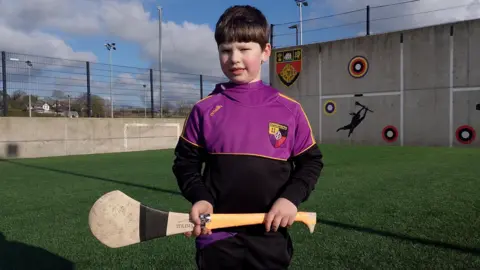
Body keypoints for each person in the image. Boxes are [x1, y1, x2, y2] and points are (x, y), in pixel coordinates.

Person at [172, 5, 324, 270]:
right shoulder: (204, 110)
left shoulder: (289, 110)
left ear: (265, 51)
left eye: (244, 49)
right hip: (216, 236)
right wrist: (200, 196)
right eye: (225, 50)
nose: (234, 58)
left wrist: (290, 198)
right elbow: (185, 163)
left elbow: (311, 162)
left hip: (269, 236)